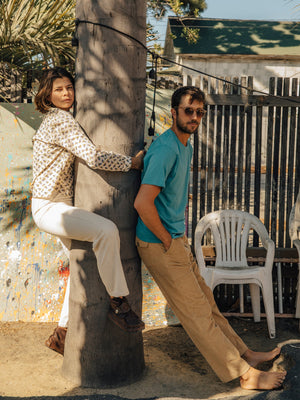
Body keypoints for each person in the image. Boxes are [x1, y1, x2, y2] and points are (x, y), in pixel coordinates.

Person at [134, 86, 286, 390]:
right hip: (159, 243)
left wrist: (175, 239)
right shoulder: (165, 149)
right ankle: (244, 375)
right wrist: (165, 239)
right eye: (188, 110)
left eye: (200, 112)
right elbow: (142, 203)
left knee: (208, 306)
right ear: (174, 112)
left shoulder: (185, 144)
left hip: (176, 241)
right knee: (196, 316)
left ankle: (246, 355)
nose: (194, 117)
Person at [31, 67, 145, 355]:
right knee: (106, 230)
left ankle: (61, 335)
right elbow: (93, 155)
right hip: (49, 206)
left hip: (55, 206)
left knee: (79, 262)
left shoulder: (59, 119)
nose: (67, 93)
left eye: (70, 88)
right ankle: (119, 301)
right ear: (47, 94)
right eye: (59, 89)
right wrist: (130, 163)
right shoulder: (60, 121)